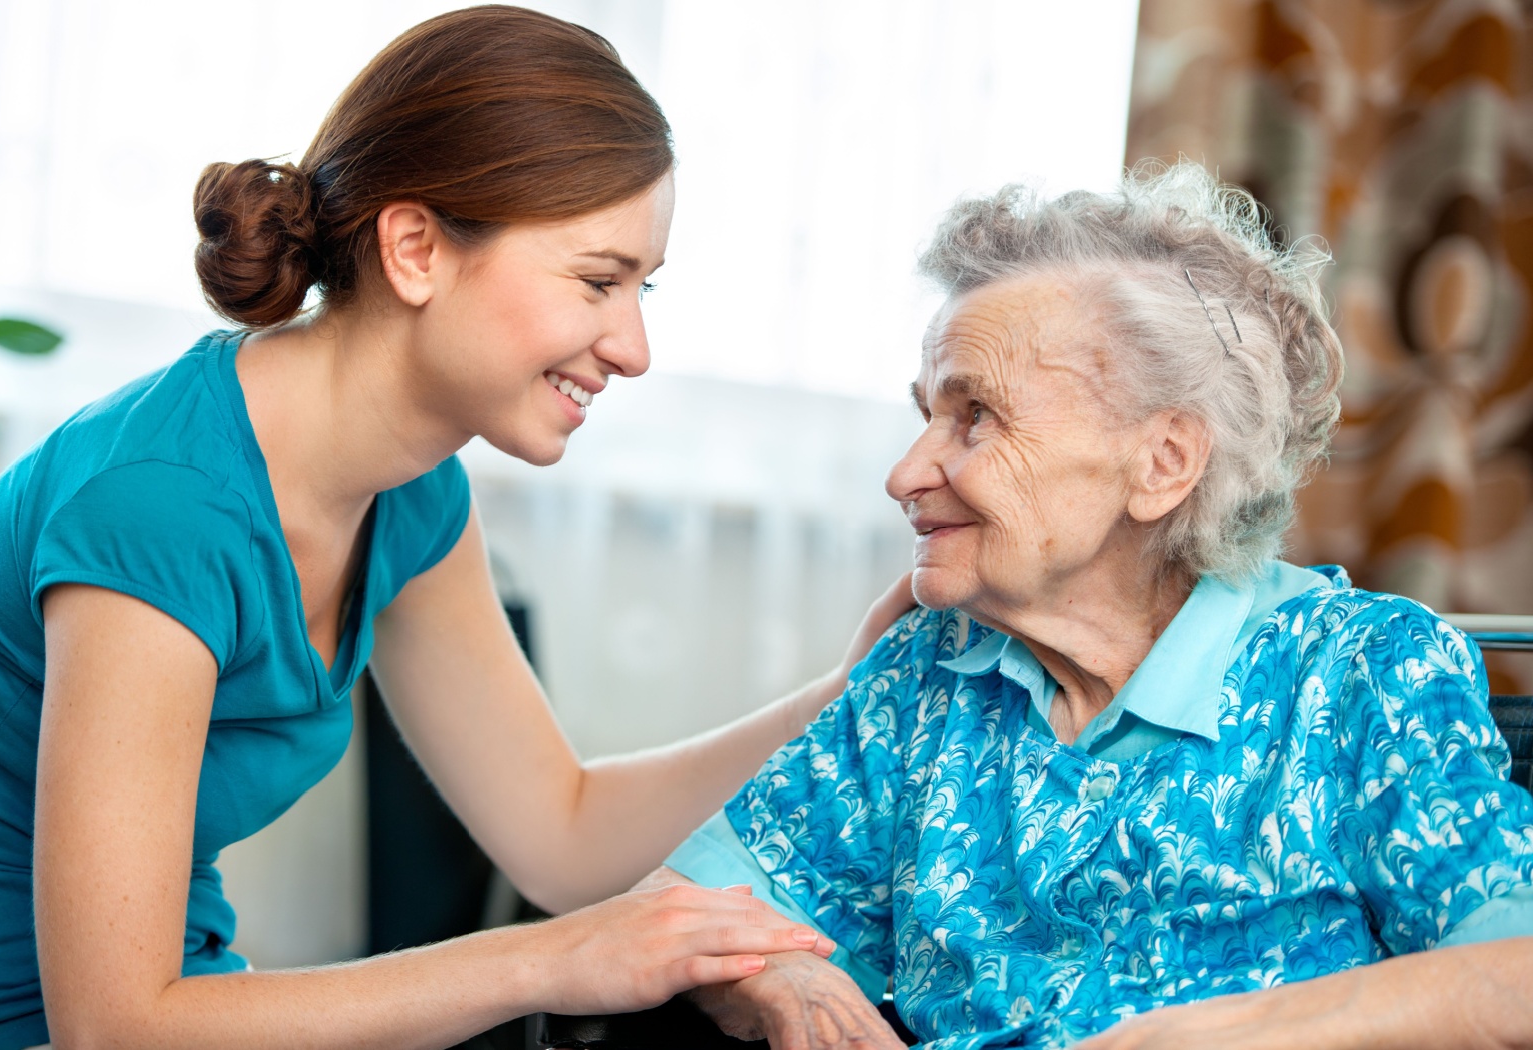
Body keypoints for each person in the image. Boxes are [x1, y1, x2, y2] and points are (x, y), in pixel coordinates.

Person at [0, 7, 914, 1048]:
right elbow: (114, 1027)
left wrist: (850, 695)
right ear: (414, 250)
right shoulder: (164, 508)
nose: (633, 348)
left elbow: (562, 833)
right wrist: (551, 958)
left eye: (643, 289)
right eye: (598, 281)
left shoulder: (413, 494)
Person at [644, 164, 1533, 1050]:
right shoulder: (929, 673)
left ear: (1163, 464)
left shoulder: (1358, 672)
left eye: (976, 416)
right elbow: (679, 908)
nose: (905, 474)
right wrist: (783, 975)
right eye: (926, 416)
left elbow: (1512, 975)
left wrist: (1199, 1038)